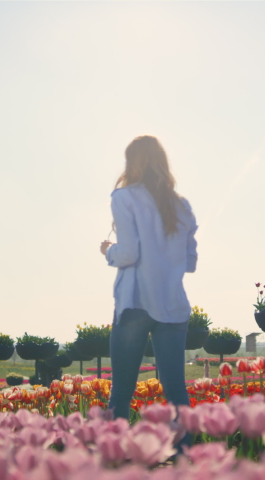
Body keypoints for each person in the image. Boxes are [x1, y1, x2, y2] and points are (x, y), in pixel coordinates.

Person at [100, 135, 198, 421]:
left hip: (135, 303)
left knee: (121, 392)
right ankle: (185, 457)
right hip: (173, 306)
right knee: (176, 392)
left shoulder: (124, 197)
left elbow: (128, 255)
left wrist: (109, 252)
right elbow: (190, 263)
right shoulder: (182, 206)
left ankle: (113, 460)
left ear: (132, 163)